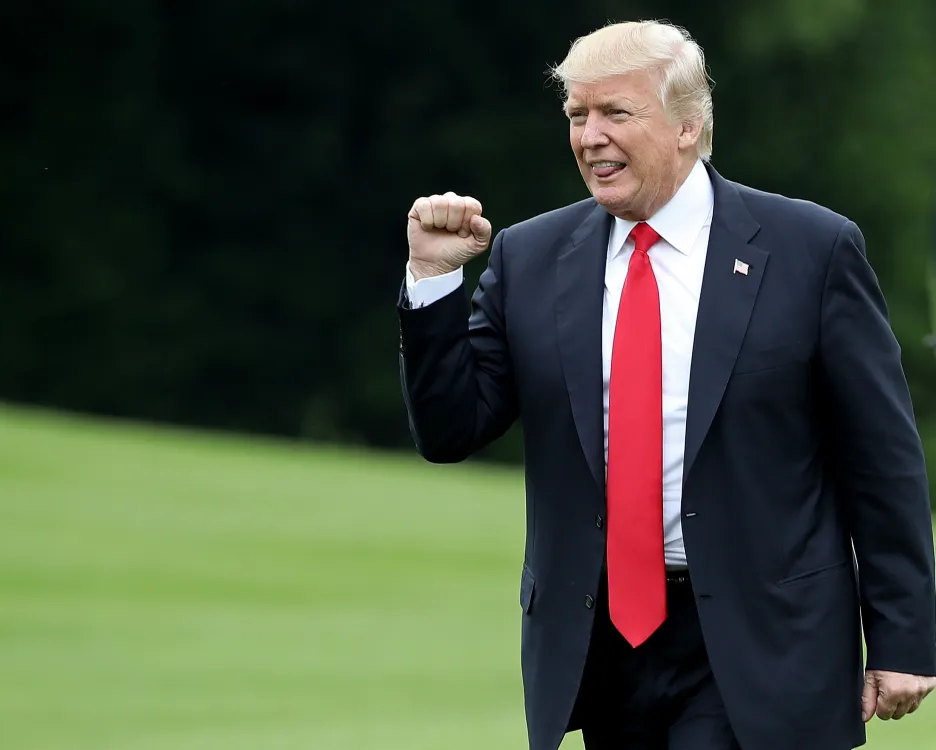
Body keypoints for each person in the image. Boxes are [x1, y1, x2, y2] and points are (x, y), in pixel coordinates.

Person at [395, 19, 936, 750]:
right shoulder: (531, 256)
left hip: (766, 637)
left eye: (616, 113)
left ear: (688, 127)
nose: (590, 136)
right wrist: (433, 280)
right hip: (601, 639)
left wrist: (904, 635)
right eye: (577, 116)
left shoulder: (812, 249)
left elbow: (881, 455)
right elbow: (451, 430)